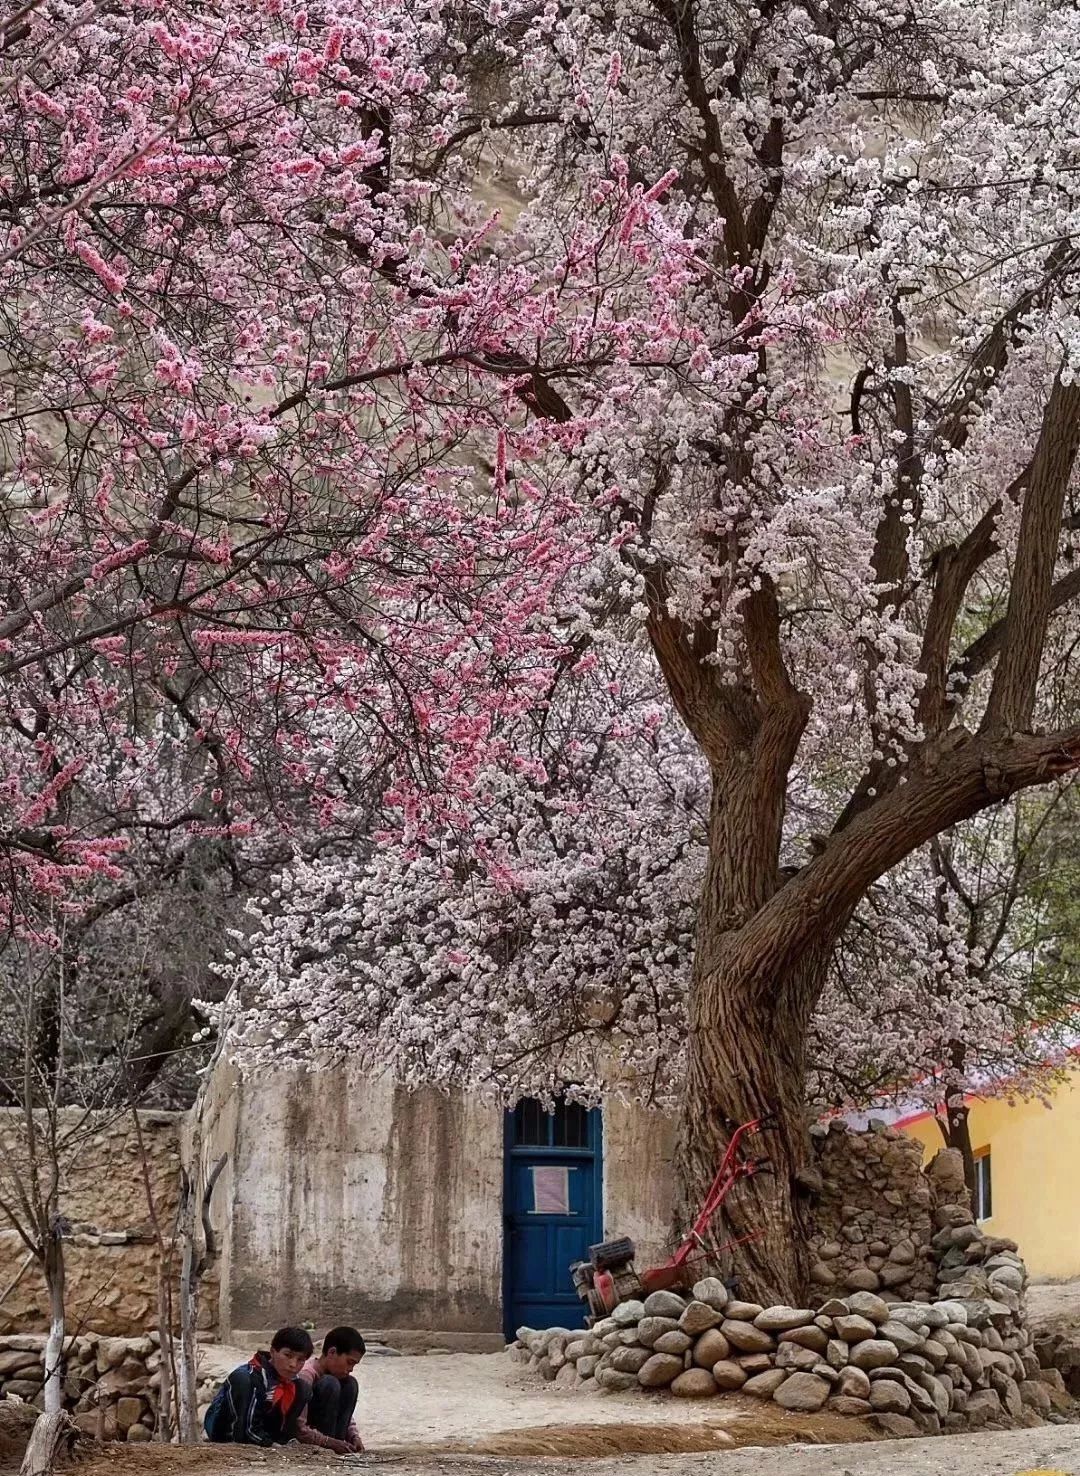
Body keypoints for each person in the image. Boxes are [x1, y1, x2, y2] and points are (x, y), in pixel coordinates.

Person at [203, 1326, 314, 1445]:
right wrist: (269, 1444)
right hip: (231, 1436)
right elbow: (245, 1428)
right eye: (288, 1355)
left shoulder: (295, 1384)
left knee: (303, 1388)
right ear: (272, 1352)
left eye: (300, 1360)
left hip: (267, 1434)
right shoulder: (247, 1377)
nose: (293, 1364)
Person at [296, 1325, 366, 1453]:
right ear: (332, 1352)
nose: (350, 1369)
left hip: (331, 1437)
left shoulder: (338, 1377)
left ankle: (338, 1444)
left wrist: (354, 1436)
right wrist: (327, 1442)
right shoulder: (306, 1375)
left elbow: (342, 1410)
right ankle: (330, 1445)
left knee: (351, 1383)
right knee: (330, 1383)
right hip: (309, 1438)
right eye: (349, 1362)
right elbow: (299, 1428)